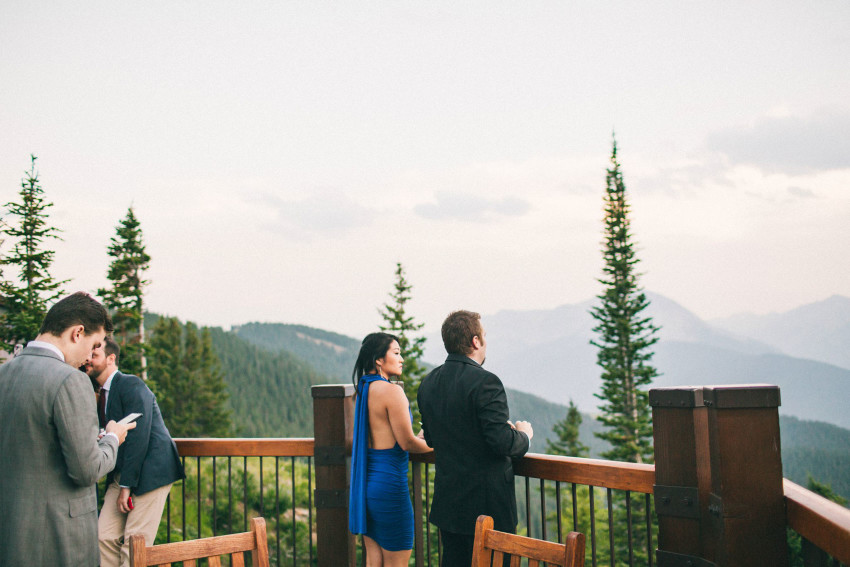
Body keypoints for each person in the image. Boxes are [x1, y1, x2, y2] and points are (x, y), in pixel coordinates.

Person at [0, 291, 136, 567]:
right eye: (94, 344)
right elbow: (86, 470)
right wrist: (111, 438)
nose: (90, 357)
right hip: (60, 539)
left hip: (11, 535)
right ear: (77, 333)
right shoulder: (70, 380)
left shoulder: (5, 373)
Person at [417, 310, 533, 567]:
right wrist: (523, 435)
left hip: (449, 508)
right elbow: (502, 443)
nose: (485, 341)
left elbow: (432, 439)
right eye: (484, 336)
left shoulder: (429, 383)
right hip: (488, 510)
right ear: (475, 341)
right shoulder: (486, 383)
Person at [85, 336, 185, 567]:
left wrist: (126, 486)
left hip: (151, 472)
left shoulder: (131, 384)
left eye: (95, 355)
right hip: (122, 473)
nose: (88, 359)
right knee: (103, 537)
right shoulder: (99, 392)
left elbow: (139, 437)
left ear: (111, 359)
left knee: (135, 544)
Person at [349, 332, 431, 567]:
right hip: (391, 489)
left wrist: (416, 439)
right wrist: (434, 444)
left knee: (374, 561)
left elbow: (387, 435)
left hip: (368, 487)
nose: (402, 358)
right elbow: (407, 443)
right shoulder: (392, 391)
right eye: (396, 353)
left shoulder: (364, 390)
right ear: (378, 360)